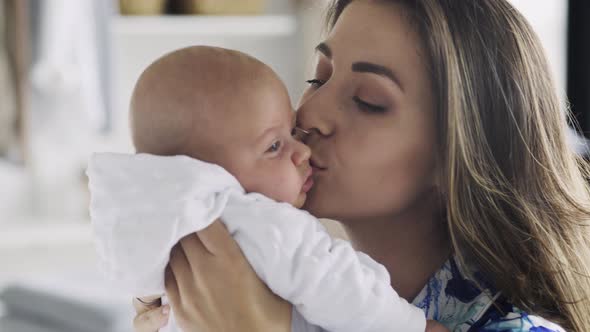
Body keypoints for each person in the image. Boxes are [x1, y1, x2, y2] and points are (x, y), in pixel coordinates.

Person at [133, 0, 590, 331]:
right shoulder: (274, 281)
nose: (309, 116)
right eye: (319, 78)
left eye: (368, 102)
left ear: (458, 150)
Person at [88, 45, 446, 332]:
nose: (305, 136)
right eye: (317, 79)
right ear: (204, 171)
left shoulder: (149, 232)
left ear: (449, 145)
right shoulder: (266, 224)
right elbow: (341, 285)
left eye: (369, 101)